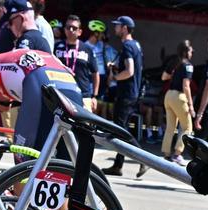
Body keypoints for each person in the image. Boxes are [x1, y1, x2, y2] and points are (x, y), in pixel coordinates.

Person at [0, 47, 80, 149]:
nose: (3, 110)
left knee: (24, 153)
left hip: (42, 81)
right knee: (64, 156)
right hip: (70, 84)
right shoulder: (13, 84)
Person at [101, 15, 143, 177]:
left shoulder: (127, 47)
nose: (115, 28)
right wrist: (116, 67)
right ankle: (118, 166)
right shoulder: (135, 45)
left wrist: (114, 77)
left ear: (124, 28)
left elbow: (130, 71)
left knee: (120, 130)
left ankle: (142, 158)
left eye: (118, 26)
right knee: (121, 128)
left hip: (126, 93)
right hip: (132, 93)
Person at [160, 39, 194, 164]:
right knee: (187, 127)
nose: (192, 52)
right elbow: (186, 86)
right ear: (186, 52)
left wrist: (173, 75)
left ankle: (166, 154)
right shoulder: (188, 66)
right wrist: (191, 104)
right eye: (191, 50)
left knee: (170, 127)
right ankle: (178, 154)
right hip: (179, 96)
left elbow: (164, 77)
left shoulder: (175, 63)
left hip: (168, 95)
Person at [54, 14, 98, 109]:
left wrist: (94, 96)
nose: (70, 30)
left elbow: (95, 73)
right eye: (68, 27)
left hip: (84, 96)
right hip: (61, 94)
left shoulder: (87, 49)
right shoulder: (56, 47)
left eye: (74, 28)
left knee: (84, 124)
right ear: (64, 29)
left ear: (80, 32)